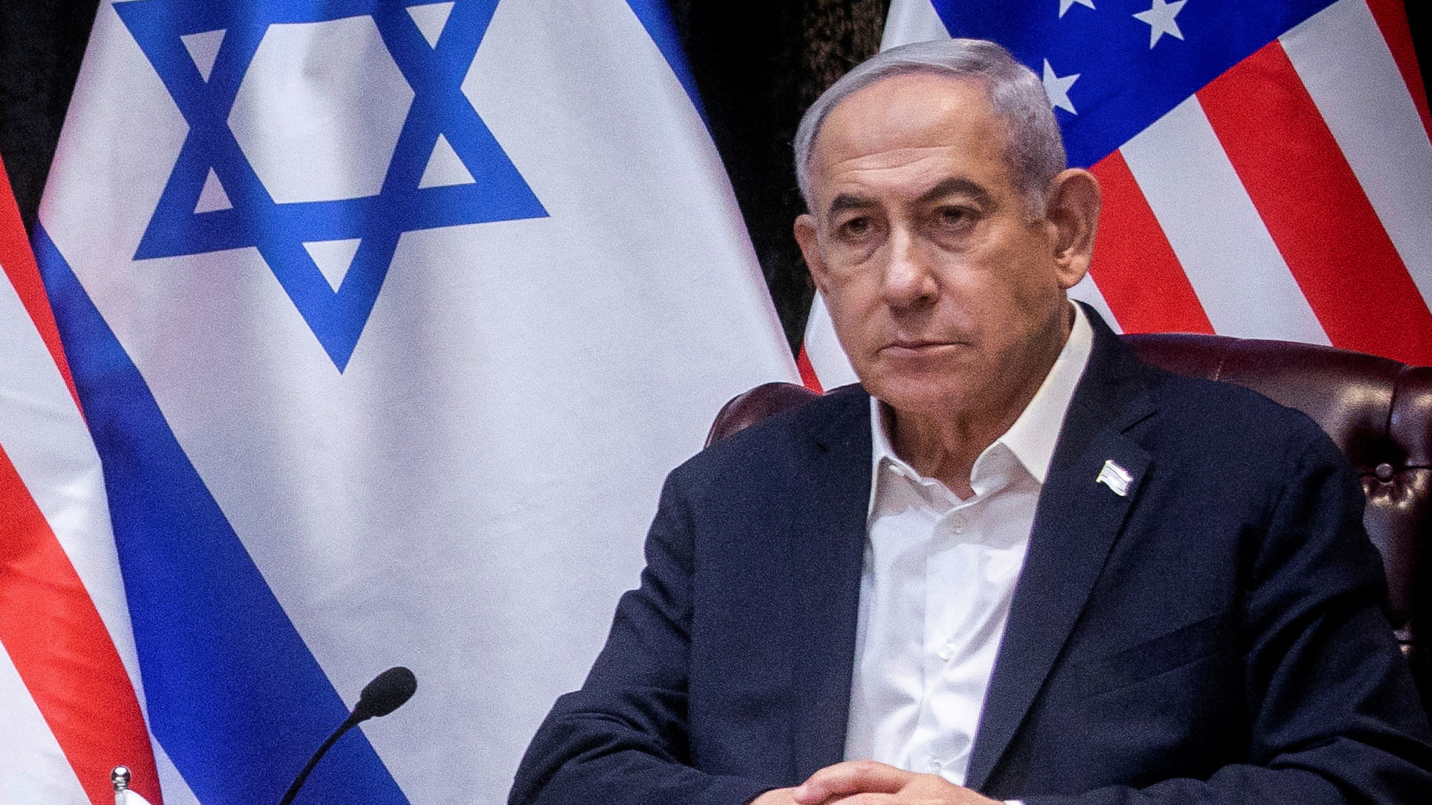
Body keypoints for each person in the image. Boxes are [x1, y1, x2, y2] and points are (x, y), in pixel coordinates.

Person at [509, 38, 1432, 804]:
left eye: (951, 216)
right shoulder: (736, 491)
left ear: (1065, 230)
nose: (902, 281)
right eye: (858, 229)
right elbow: (571, 770)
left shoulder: (1250, 471)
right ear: (817, 261)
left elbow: (1364, 777)